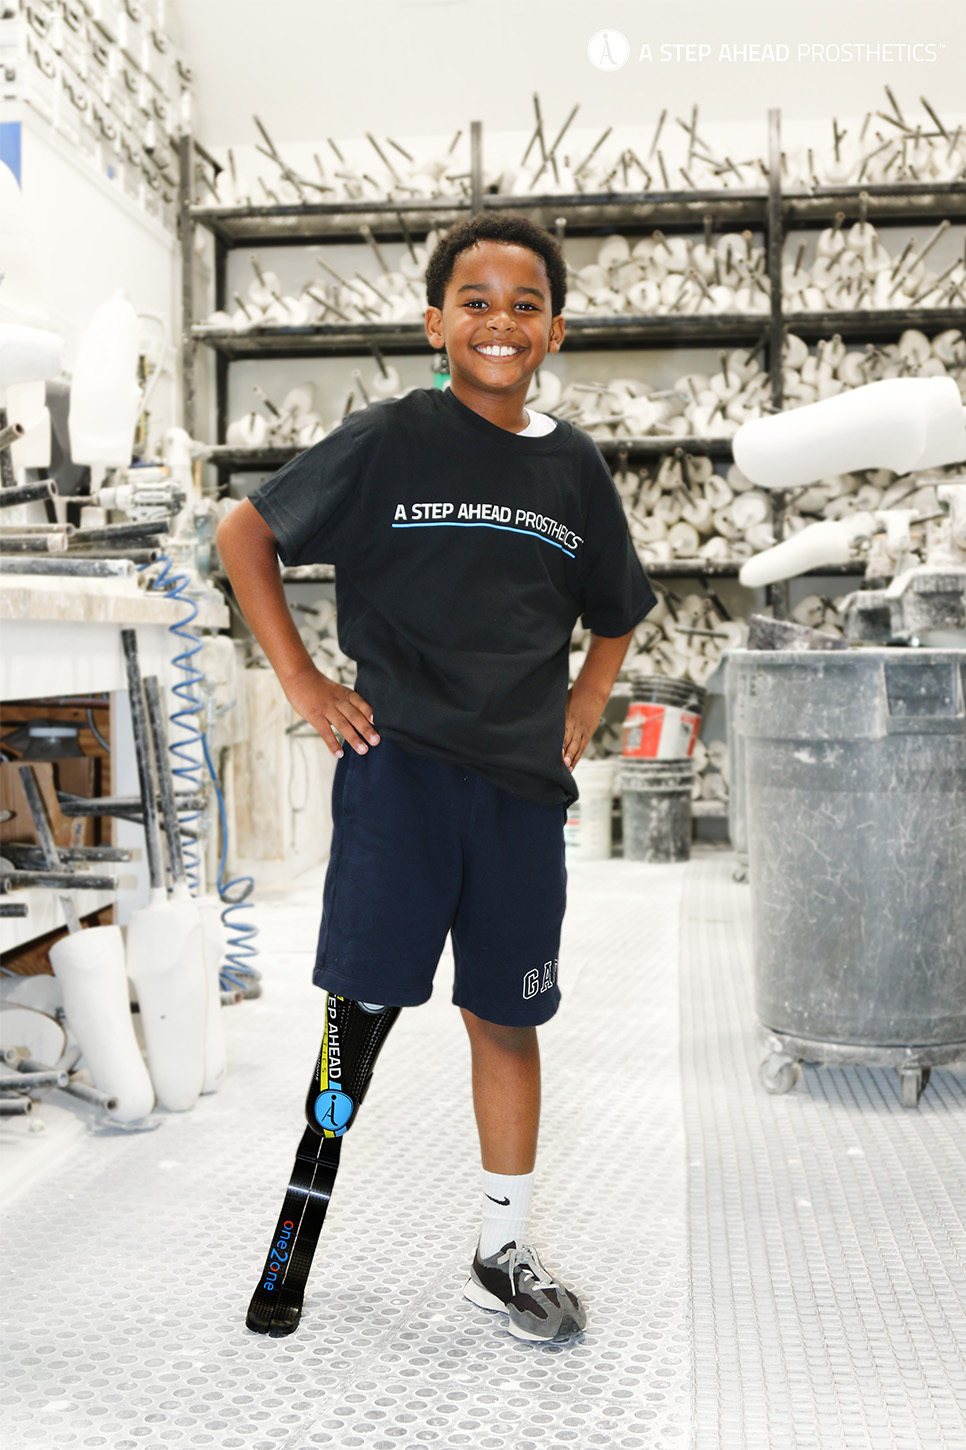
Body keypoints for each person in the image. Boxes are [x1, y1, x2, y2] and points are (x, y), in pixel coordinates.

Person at [215, 212, 656, 1343]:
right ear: (434, 322)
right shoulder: (388, 440)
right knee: (357, 1008)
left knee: (506, 1018)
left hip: (516, 794)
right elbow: (243, 536)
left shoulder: (572, 468)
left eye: (522, 304)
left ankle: (501, 1247)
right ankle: (297, 1227)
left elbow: (616, 612)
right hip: (398, 778)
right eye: (475, 301)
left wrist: (586, 703)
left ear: (554, 329)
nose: (499, 321)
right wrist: (306, 681)